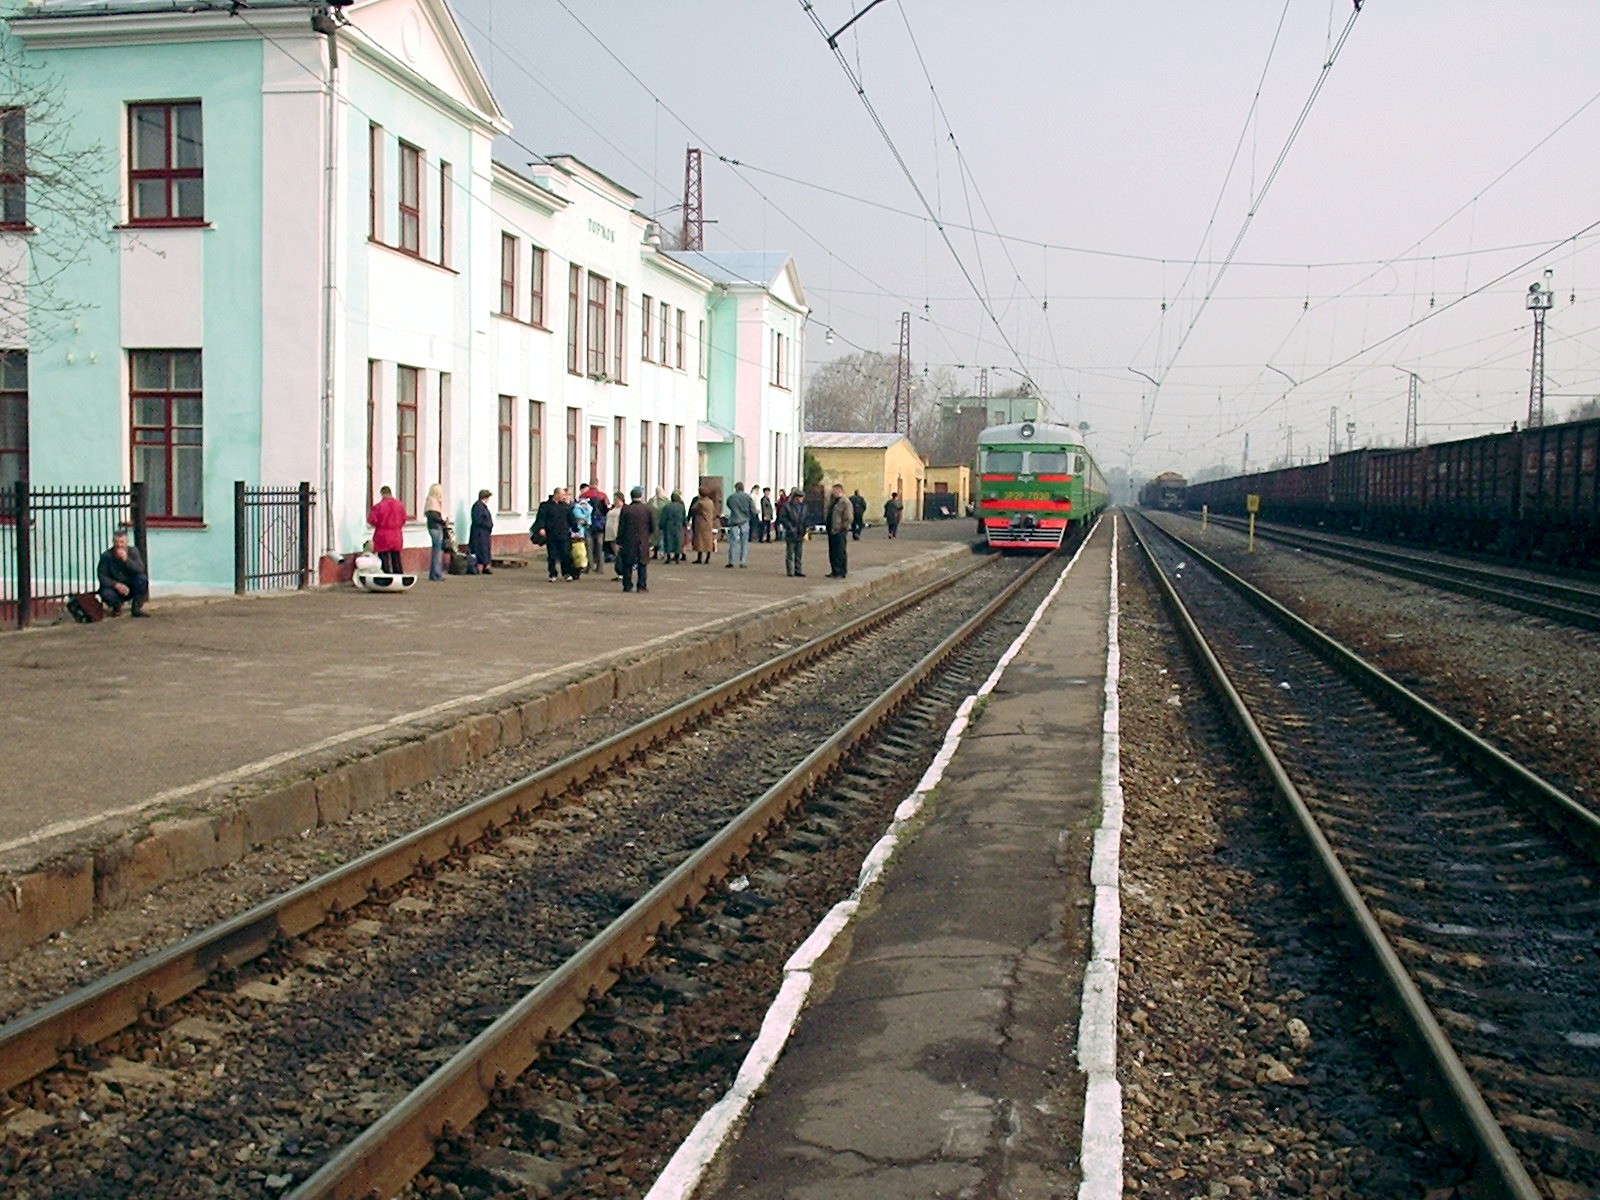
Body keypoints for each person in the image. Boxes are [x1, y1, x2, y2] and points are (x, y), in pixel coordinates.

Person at [97, 529, 150, 617]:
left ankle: (136, 608)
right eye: (116, 542)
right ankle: (116, 608)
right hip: (115, 586)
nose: (119, 545)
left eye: (122, 542)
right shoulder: (106, 556)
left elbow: (140, 569)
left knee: (142, 579)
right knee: (106, 593)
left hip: (130, 584)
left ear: (126, 543)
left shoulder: (133, 552)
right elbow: (102, 576)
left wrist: (126, 560)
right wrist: (116, 585)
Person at [531, 488, 579, 581]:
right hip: (551, 534)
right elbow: (541, 518)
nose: (564, 497)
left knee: (565, 554)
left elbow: (571, 519)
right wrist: (541, 528)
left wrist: (575, 529)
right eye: (562, 495)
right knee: (552, 555)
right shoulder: (545, 506)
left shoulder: (565, 507)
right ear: (556, 495)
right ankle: (552, 574)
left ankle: (566, 573)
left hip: (564, 534)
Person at [617, 486, 656, 592]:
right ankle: (641, 585)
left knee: (627, 564)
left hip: (628, 540)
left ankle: (627, 585)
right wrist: (649, 537)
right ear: (641, 496)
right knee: (642, 563)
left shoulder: (626, 509)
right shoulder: (647, 509)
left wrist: (619, 540)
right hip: (643, 540)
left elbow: (621, 526)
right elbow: (653, 526)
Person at [369, 485, 407, 574]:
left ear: (382, 494)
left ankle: (386, 578)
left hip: (382, 535)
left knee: (384, 558)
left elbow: (372, 520)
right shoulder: (400, 505)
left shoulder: (378, 506)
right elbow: (404, 519)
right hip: (396, 534)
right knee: (396, 557)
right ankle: (399, 577)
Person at [724, 480, 756, 568]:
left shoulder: (731, 497)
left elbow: (728, 505)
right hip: (745, 520)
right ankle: (743, 561)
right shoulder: (747, 497)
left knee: (733, 541)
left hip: (734, 520)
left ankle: (731, 561)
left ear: (736, 488)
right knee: (744, 542)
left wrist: (735, 511)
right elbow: (752, 509)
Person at [778, 488, 808, 577]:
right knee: (790, 553)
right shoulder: (787, 506)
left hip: (800, 531)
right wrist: (789, 527)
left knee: (799, 553)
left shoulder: (804, 507)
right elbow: (782, 518)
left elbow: (806, 518)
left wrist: (806, 528)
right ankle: (790, 571)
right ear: (796, 497)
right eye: (800, 497)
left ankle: (798, 570)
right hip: (791, 532)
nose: (802, 499)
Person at [579, 481, 608, 573]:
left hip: (588, 523)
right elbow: (606, 509)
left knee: (589, 545)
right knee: (600, 545)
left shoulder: (583, 496)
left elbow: (580, 509)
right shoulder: (603, 495)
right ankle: (600, 567)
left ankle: (589, 566)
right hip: (600, 524)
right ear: (597, 483)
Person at [827, 483, 852, 578]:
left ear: (839, 491)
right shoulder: (834, 501)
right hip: (832, 529)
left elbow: (848, 517)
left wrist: (843, 527)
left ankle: (841, 571)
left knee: (840, 551)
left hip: (840, 530)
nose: (832, 493)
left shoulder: (845, 502)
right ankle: (834, 570)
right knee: (832, 551)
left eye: (834, 491)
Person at [423, 483, 447, 581]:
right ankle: (437, 574)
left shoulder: (432, 501)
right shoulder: (432, 501)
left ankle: (434, 573)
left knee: (436, 551)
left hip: (434, 527)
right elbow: (433, 515)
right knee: (437, 552)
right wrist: (443, 521)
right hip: (435, 527)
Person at [469, 489, 494, 574]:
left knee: (485, 549)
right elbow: (478, 520)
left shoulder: (482, 506)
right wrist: (487, 525)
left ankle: (485, 566)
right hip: (480, 532)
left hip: (484, 532)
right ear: (485, 497)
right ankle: (481, 566)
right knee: (481, 549)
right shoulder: (478, 506)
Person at [689, 489, 717, 564]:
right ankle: (708, 557)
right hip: (709, 523)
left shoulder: (700, 502)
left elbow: (693, 508)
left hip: (701, 523)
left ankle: (699, 557)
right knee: (708, 540)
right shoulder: (710, 502)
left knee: (700, 541)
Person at [661, 490, 687, 562]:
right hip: (678, 525)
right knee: (678, 541)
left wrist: (661, 525)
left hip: (668, 525)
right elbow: (684, 516)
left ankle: (668, 557)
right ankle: (677, 557)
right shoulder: (681, 507)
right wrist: (685, 524)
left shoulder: (666, 507)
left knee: (668, 541)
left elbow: (663, 517)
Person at [605, 491, 626, 579]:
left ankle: (622, 572)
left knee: (619, 553)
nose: (615, 501)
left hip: (617, 532)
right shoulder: (612, 508)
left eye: (616, 499)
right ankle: (620, 572)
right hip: (610, 534)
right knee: (615, 553)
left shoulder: (624, 509)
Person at [649, 487, 668, 559]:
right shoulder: (652, 501)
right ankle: (656, 553)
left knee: (662, 538)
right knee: (655, 539)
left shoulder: (666, 501)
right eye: (657, 491)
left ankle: (663, 553)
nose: (659, 493)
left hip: (663, 522)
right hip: (654, 522)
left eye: (660, 491)